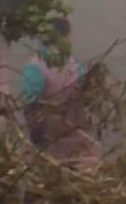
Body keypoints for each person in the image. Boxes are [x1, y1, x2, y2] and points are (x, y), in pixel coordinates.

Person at [18, 17, 102, 170]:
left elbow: (27, 101)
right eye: (70, 36)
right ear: (63, 37)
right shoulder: (38, 68)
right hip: (50, 129)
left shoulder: (67, 64)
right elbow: (31, 104)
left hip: (68, 125)